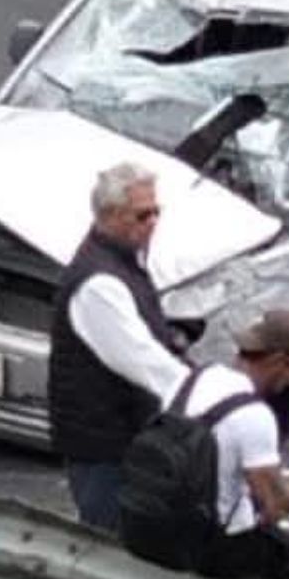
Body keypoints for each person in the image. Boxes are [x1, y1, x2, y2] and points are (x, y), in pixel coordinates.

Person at [48, 162, 190, 534]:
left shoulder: (122, 263)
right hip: (105, 453)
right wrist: (199, 393)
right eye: (143, 214)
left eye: (157, 211)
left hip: (123, 444)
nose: (153, 222)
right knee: (111, 552)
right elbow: (142, 360)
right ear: (110, 215)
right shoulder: (98, 285)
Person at [182, 309, 289, 579]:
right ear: (283, 363)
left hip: (179, 525)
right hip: (224, 544)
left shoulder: (203, 377)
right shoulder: (253, 416)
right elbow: (277, 508)